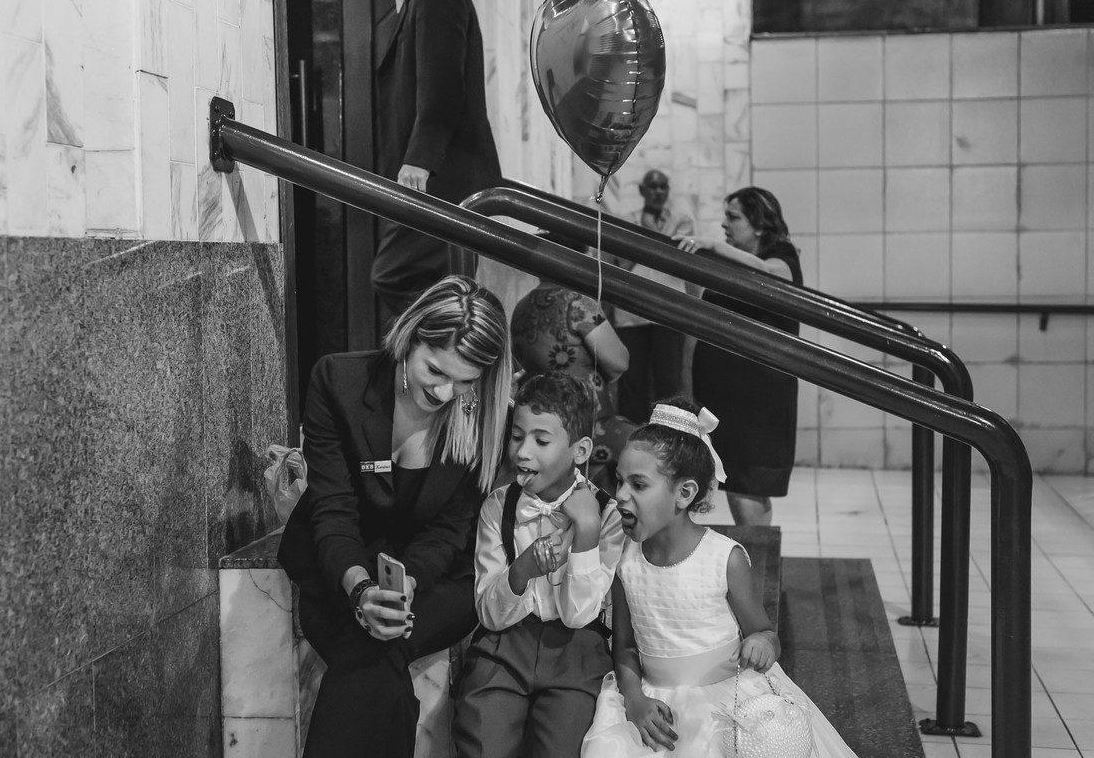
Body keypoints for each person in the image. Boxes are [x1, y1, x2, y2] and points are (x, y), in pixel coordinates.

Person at [277, 275, 513, 758]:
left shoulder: (485, 411)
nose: (448, 392)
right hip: (341, 569)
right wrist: (362, 589)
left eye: (466, 381)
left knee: (377, 647)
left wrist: (405, 586)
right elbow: (332, 512)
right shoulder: (339, 382)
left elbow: (449, 532)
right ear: (411, 337)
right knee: (376, 664)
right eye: (436, 371)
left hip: (438, 579)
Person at [581, 398, 859, 757]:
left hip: (726, 702)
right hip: (654, 703)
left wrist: (762, 644)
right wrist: (634, 701)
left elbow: (765, 632)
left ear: (684, 493)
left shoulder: (724, 559)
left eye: (638, 484)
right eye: (619, 481)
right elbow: (625, 647)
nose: (620, 496)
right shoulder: (625, 562)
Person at [454, 372, 626, 758]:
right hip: (504, 647)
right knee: (482, 738)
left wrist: (586, 530)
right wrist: (522, 571)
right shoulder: (499, 506)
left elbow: (580, 614)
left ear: (580, 451)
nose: (522, 452)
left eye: (541, 440)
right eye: (517, 436)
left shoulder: (608, 516)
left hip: (576, 651)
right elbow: (489, 612)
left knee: (563, 746)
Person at [370, 0, 502, 324]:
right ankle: (457, 363)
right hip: (438, 177)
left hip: (442, 178)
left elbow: (443, 86)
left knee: (395, 273)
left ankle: (463, 356)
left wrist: (419, 160)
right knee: (432, 282)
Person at [675, 187, 802, 527]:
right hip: (726, 398)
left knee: (750, 488)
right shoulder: (729, 265)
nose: (724, 224)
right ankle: (755, 567)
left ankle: (757, 572)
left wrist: (716, 247)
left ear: (759, 224)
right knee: (736, 486)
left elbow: (772, 274)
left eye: (733, 217)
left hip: (759, 399)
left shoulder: (782, 254)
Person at [510, 231, 634, 491]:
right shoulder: (577, 305)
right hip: (590, 426)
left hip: (543, 426)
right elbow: (619, 361)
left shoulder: (520, 308)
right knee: (648, 449)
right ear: (575, 260)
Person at [611, 169, 696, 423]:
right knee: (632, 379)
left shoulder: (682, 221)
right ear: (642, 190)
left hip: (668, 310)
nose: (658, 192)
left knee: (669, 379)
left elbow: (675, 258)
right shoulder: (626, 219)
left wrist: (646, 234)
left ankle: (670, 434)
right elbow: (621, 263)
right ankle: (632, 436)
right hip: (630, 311)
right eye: (653, 186)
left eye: (663, 187)